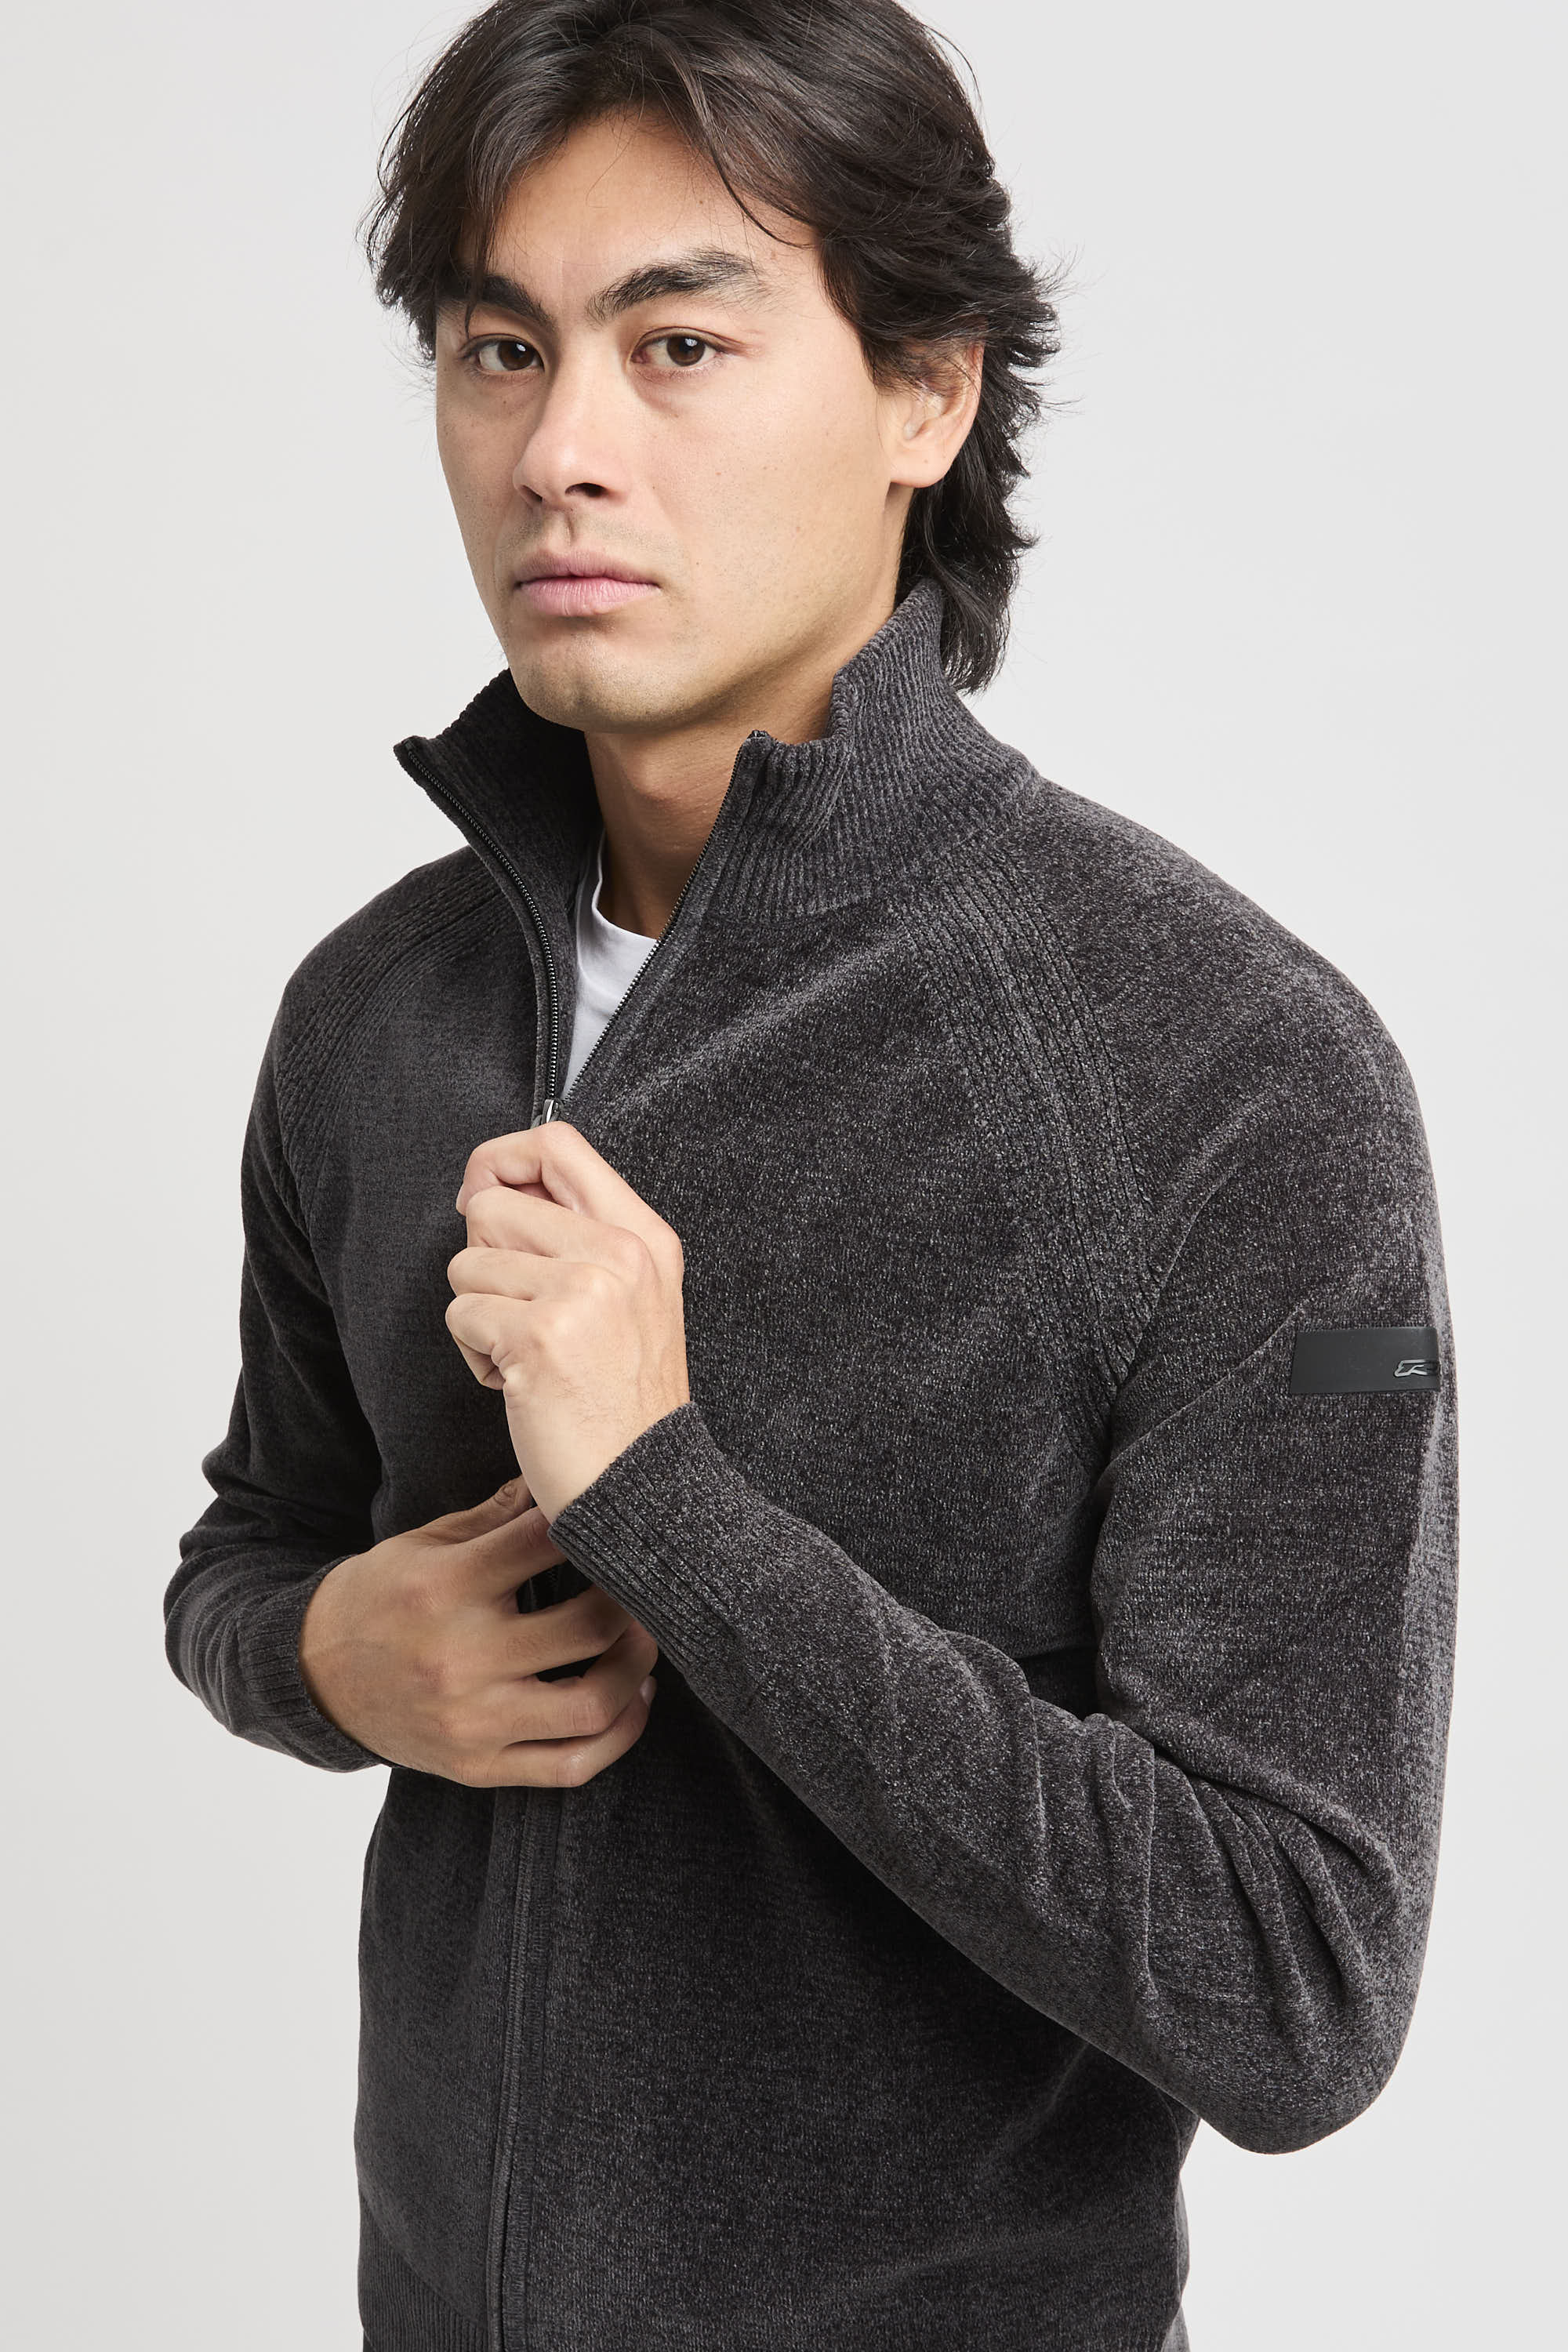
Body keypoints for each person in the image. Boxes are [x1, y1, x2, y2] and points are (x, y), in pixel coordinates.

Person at [165, 3, 1459, 2347]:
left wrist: (670, 1502)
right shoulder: (371, 1013)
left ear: (925, 392)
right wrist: (321, 1656)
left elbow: (1295, 1984)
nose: (561, 451)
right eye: (499, 349)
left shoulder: (1234, 1078)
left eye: (678, 343)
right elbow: (254, 1548)